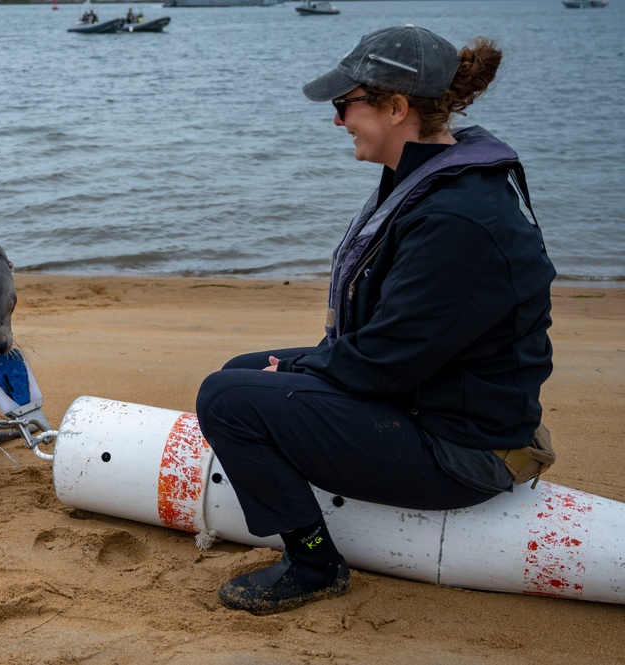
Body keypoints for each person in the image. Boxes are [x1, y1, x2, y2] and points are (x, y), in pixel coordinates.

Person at [195, 25, 556, 615]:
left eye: (346, 105)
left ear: (396, 108)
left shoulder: (459, 219)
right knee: (243, 373)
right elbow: (387, 345)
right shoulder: (425, 181)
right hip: (424, 400)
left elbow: (385, 363)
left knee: (228, 398)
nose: (338, 121)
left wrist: (300, 366)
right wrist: (295, 366)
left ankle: (314, 564)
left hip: (463, 452)